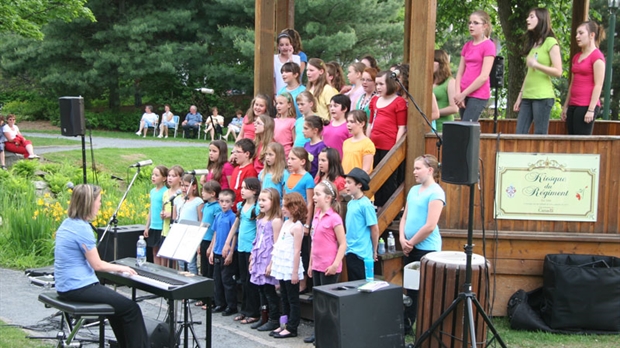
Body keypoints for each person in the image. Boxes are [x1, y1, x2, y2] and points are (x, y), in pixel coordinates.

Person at [54, 184, 149, 347]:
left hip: (65, 286)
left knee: (117, 310)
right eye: (99, 201)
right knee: (131, 309)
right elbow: (97, 265)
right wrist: (122, 268)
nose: (100, 204)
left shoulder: (67, 223)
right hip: (78, 287)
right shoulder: (82, 229)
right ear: (89, 203)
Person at [399, 155, 445, 335]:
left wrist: (411, 242)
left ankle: (427, 326)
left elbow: (430, 225)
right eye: (414, 168)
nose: (414, 172)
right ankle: (407, 324)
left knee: (424, 289)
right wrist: (402, 238)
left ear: (430, 170)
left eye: (418, 168)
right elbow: (405, 217)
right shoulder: (413, 190)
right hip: (409, 247)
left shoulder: (436, 192)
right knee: (410, 288)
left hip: (426, 249)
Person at [304, 180, 346, 344]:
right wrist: (310, 264)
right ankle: (318, 331)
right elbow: (314, 241)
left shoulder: (334, 218)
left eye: (318, 194)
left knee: (328, 303)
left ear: (328, 198)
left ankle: (328, 334)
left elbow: (342, 243)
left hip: (329, 265)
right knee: (318, 300)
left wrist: (336, 264)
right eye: (314, 194)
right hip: (317, 265)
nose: (314, 197)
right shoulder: (316, 215)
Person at [514, 8, 563, 135]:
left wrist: (537, 65)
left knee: (539, 135)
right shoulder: (534, 44)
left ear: (541, 19)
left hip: (542, 97)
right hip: (527, 96)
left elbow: (558, 71)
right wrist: (520, 96)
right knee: (519, 134)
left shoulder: (551, 42)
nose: (527, 19)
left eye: (531, 17)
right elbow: (530, 73)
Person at [267, 192, 307, 339]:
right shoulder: (285, 223)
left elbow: (297, 251)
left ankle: (292, 327)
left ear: (295, 207)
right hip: (282, 266)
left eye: (286, 206)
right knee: (283, 296)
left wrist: (295, 272)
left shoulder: (297, 227)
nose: (283, 208)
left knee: (292, 298)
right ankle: (284, 323)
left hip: (291, 267)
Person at [223, 178, 262, 324]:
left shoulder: (257, 208)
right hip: (241, 247)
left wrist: (255, 250)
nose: (242, 190)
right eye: (242, 187)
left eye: (245, 188)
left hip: (251, 248)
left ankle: (253, 311)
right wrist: (227, 243)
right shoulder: (242, 205)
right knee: (243, 280)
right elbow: (235, 226)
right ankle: (244, 310)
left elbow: (259, 230)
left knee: (251, 281)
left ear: (254, 191)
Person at [368, 71, 407, 208]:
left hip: (389, 145)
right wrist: (367, 141)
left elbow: (401, 127)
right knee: (375, 175)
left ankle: (389, 209)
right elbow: (370, 123)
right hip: (374, 144)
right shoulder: (374, 100)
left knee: (389, 179)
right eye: (376, 84)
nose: (378, 87)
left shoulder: (399, 102)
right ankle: (377, 205)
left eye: (381, 84)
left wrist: (395, 148)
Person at [562, 21, 606, 135]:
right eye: (576, 34)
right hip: (573, 105)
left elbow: (599, 85)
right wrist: (566, 105)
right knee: (571, 141)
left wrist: (591, 110)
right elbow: (572, 83)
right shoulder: (576, 57)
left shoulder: (597, 56)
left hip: (586, 105)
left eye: (581, 33)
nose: (577, 36)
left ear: (592, 35)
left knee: (580, 144)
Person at [249, 188, 283, 332]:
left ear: (273, 201)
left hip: (268, 259)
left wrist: (272, 263)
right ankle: (264, 316)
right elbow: (257, 239)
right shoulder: (260, 219)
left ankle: (274, 319)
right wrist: (252, 256)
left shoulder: (276, 221)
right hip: (259, 258)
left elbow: (277, 243)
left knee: (269, 291)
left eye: (264, 200)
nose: (260, 203)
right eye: (259, 200)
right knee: (261, 290)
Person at [454, 10, 496, 122]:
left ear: (485, 26)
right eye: (470, 23)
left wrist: (463, 94)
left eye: (476, 23)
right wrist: (458, 94)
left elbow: (483, 76)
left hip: (478, 95)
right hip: (463, 94)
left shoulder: (489, 46)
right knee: (464, 129)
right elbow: (459, 73)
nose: (471, 25)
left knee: (467, 127)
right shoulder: (467, 46)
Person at [344, 168, 379, 281]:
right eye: (346, 182)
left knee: (361, 284)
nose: (346, 185)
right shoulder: (350, 203)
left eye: (349, 183)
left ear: (359, 185)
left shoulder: (366, 205)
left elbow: (374, 229)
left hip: (362, 253)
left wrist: (374, 250)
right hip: (350, 250)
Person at [207, 189, 238, 316]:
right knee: (217, 279)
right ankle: (220, 303)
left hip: (227, 252)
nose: (224, 204)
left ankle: (231, 306)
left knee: (228, 280)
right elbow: (215, 233)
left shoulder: (233, 217)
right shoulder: (218, 216)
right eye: (221, 201)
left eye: (227, 201)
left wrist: (231, 252)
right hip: (217, 251)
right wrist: (212, 249)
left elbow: (235, 235)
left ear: (232, 203)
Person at [173, 174, 203, 274]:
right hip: (180, 234)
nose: (183, 188)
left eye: (186, 185)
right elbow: (175, 217)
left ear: (194, 186)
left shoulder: (198, 201)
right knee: (181, 262)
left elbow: (201, 220)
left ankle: (193, 283)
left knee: (191, 263)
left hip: (192, 235)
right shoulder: (177, 200)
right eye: (182, 185)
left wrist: (199, 241)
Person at [198, 180, 221, 288]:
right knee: (204, 268)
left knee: (210, 270)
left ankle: (210, 298)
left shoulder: (217, 207)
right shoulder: (206, 206)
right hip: (203, 238)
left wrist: (212, 245)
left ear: (212, 194)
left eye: (205, 191)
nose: (202, 193)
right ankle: (203, 297)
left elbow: (217, 226)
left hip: (211, 240)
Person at [144, 165, 168, 266]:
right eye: (153, 174)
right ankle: (156, 268)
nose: (153, 177)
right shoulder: (152, 191)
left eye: (156, 175)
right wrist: (147, 226)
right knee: (154, 251)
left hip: (161, 226)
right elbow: (151, 209)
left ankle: (162, 270)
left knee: (161, 253)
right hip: (153, 225)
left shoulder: (165, 192)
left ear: (164, 178)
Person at [160, 165, 184, 268]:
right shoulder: (166, 193)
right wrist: (163, 214)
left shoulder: (181, 194)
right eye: (169, 175)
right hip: (165, 228)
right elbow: (164, 206)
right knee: (163, 256)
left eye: (173, 176)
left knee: (174, 258)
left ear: (180, 179)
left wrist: (171, 215)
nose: (170, 178)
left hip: (175, 229)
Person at [433, 50, 459, 132]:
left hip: (443, 128)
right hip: (429, 126)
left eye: (432, 61)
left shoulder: (450, 81)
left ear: (440, 63)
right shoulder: (428, 81)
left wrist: (434, 113)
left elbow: (454, 108)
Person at [342, 110, 375, 174]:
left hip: (357, 182)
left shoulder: (367, 144)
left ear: (362, 124)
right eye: (347, 121)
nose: (348, 124)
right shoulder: (346, 142)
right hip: (345, 180)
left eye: (352, 122)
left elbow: (366, 170)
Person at [230, 139, 258, 209]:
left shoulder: (250, 170)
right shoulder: (236, 169)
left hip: (241, 208)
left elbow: (250, 192)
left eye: (238, 152)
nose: (234, 154)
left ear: (247, 154)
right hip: (231, 206)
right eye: (234, 151)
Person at [323, 94, 352, 158]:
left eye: (335, 106)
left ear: (344, 109)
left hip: (341, 162)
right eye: (330, 106)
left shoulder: (349, 126)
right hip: (326, 162)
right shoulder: (327, 125)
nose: (332, 109)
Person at [274, 92, 297, 158]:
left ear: (289, 105)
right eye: (277, 103)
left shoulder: (292, 121)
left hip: (286, 154)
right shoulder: (274, 121)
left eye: (281, 103)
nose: (278, 106)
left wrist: (291, 155)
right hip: (275, 154)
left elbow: (295, 141)